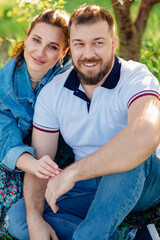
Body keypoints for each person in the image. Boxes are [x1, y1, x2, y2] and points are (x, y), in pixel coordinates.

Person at [6, 5, 160, 240]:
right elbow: (41, 160)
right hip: (87, 185)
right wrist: (35, 218)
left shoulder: (136, 77)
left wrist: (72, 173)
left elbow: (145, 135)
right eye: (79, 44)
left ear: (114, 43)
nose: (88, 54)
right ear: (71, 48)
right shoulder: (54, 92)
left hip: (143, 181)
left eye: (98, 43)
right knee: (20, 220)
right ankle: (132, 236)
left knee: (128, 151)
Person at [0, 8, 73, 237]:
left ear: (64, 52)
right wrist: (32, 164)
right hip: (18, 160)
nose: (40, 52)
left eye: (52, 47)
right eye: (36, 40)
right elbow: (4, 136)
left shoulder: (71, 77)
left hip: (59, 158)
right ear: (27, 37)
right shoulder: (5, 84)